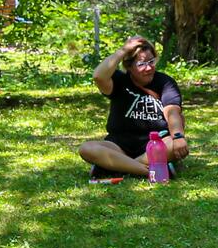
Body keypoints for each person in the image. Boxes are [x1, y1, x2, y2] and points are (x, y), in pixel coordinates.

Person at [78, 36, 190, 180]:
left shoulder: (165, 82)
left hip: (154, 144)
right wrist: (124, 50)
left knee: (172, 146)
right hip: (119, 145)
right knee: (87, 149)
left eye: (151, 61)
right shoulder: (119, 81)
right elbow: (98, 76)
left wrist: (178, 137)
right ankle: (148, 171)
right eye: (141, 64)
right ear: (129, 66)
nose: (149, 68)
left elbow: (172, 112)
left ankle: (116, 167)